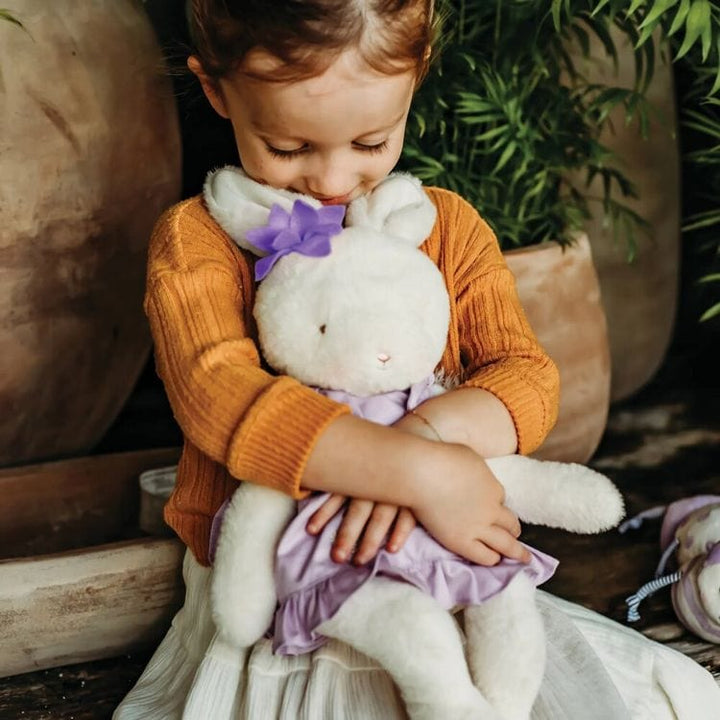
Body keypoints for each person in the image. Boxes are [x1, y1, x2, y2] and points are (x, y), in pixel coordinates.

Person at [114, 2, 720, 718]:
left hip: (444, 566)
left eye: (371, 141)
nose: (333, 179)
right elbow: (219, 395)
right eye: (287, 147)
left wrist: (426, 439)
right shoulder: (199, 241)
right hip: (282, 591)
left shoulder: (448, 228)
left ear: (417, 76)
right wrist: (419, 474)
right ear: (216, 90)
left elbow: (524, 375)